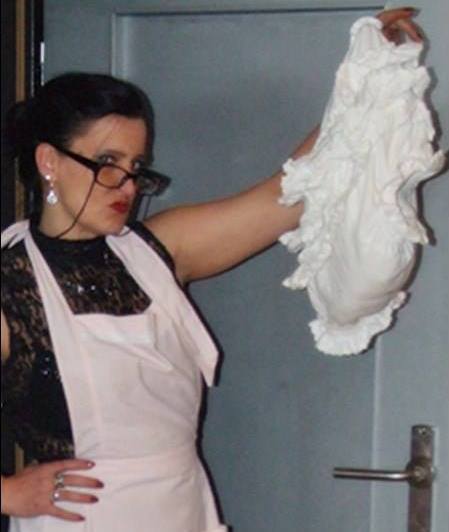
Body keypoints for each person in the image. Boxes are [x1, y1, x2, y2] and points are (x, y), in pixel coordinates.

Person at [1, 9, 422, 531]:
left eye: (136, 167)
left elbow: (290, 192)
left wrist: (370, 69)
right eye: (107, 163)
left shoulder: (159, 251)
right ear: (49, 161)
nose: (127, 186)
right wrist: (10, 494)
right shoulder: (13, 287)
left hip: (182, 511)